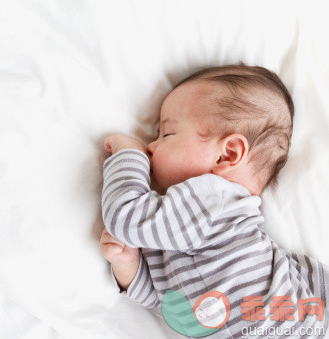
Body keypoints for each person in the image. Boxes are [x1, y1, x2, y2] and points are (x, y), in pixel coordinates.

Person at [99, 64, 329, 338]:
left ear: (227, 154)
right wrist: (128, 265)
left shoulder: (214, 201)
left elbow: (125, 216)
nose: (150, 146)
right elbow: (168, 304)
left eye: (167, 134)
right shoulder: (182, 222)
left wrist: (128, 153)